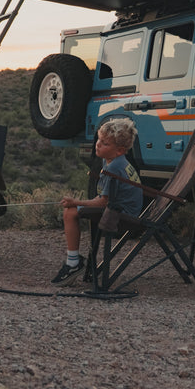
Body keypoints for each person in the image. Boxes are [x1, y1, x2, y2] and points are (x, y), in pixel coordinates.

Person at [51, 118, 143, 286]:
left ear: (120, 151)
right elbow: (102, 199)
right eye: (99, 140)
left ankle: (73, 263)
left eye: (105, 143)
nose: (98, 145)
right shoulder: (111, 162)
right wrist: (80, 203)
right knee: (73, 208)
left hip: (122, 215)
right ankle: (74, 261)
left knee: (70, 211)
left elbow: (102, 203)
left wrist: (76, 201)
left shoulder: (114, 167)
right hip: (120, 209)